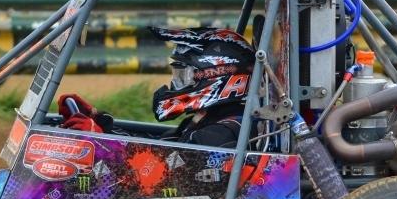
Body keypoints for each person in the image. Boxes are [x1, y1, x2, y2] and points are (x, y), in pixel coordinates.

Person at [57, 27, 256, 148]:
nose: (177, 84)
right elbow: (160, 147)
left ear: (216, 76)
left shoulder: (222, 134)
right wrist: (99, 121)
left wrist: (101, 143)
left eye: (183, 76)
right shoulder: (209, 118)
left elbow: (161, 176)